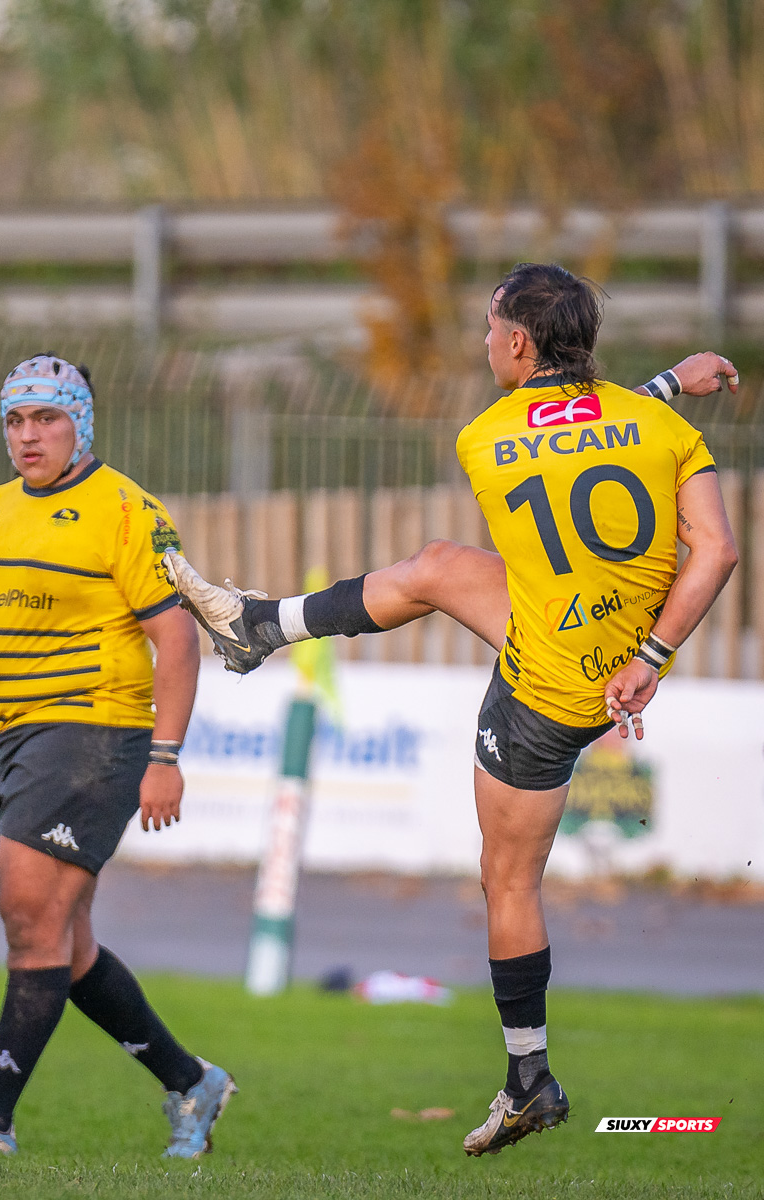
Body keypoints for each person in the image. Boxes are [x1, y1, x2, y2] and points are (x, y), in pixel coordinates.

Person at [164, 265, 740, 1157]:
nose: (481, 343)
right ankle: (256, 628)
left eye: (487, 328)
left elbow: (565, 425)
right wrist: (652, 657)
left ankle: (529, 1080)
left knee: (507, 883)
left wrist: (667, 379)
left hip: (544, 690)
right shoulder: (659, 427)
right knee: (436, 565)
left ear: (518, 343)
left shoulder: (486, 436)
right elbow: (716, 549)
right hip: (617, 650)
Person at [0, 354, 235, 1158]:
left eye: (46, 418)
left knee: (30, 926)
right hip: (20, 737)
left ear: (80, 422)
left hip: (94, 735)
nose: (27, 435)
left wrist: (166, 754)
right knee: (64, 945)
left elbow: (176, 635)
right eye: (15, 420)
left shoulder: (125, 509)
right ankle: (191, 1083)